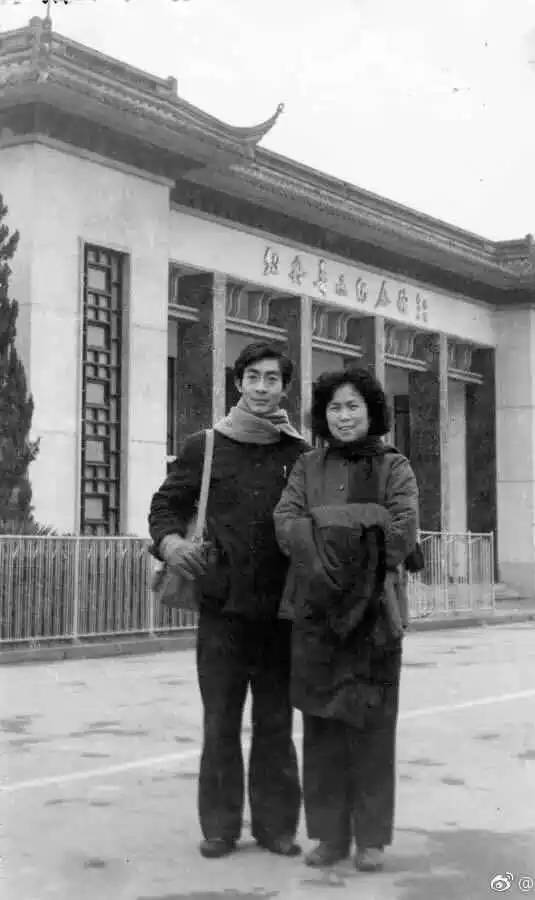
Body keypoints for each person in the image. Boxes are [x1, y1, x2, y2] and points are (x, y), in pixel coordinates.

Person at [148, 341, 309, 860]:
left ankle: (276, 828)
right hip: (222, 610)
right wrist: (171, 544)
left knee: (276, 723)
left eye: (272, 379)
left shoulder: (300, 454)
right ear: (238, 383)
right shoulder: (206, 445)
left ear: (285, 388)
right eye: (253, 377)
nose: (262, 388)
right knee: (220, 722)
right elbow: (165, 506)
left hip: (281, 613)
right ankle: (219, 828)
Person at [273, 368, 419, 873]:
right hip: (315, 610)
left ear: (371, 410)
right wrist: (359, 527)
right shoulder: (307, 466)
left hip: (376, 613)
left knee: (373, 727)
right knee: (321, 726)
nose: (344, 416)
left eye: (353, 405)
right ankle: (330, 836)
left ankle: (371, 839)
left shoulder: (394, 467)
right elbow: (286, 524)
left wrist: (325, 530)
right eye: (334, 407)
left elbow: (401, 532)